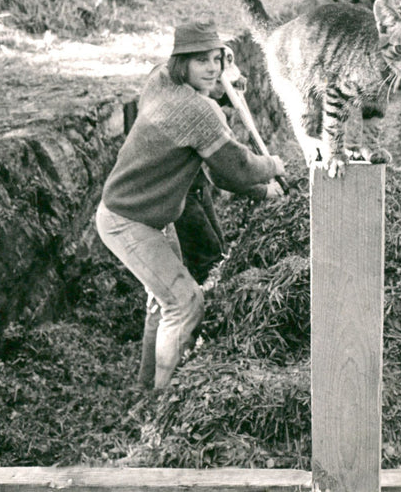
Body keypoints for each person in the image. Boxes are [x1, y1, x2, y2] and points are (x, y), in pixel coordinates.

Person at [96, 20, 285, 390]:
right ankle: (163, 400)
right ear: (181, 62)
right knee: (185, 303)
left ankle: (145, 386)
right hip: (129, 221)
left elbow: (216, 172)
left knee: (162, 303)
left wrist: (219, 86)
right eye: (201, 61)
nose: (213, 68)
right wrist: (272, 168)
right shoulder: (197, 111)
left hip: (149, 215)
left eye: (217, 59)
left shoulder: (159, 79)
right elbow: (235, 170)